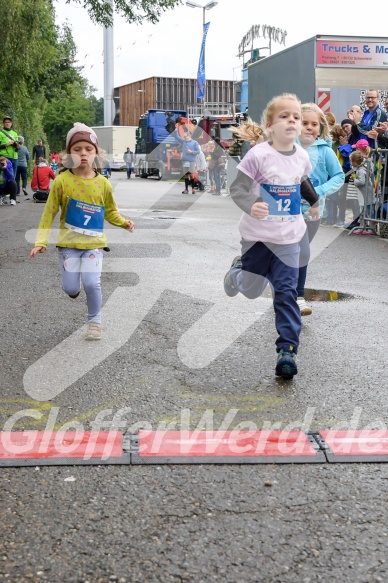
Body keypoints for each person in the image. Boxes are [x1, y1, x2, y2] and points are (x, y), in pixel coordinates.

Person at [223, 93, 319, 379]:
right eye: (284, 116)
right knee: (252, 290)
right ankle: (236, 273)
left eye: (296, 117)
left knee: (286, 292)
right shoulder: (258, 155)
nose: (292, 120)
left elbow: (301, 181)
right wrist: (252, 206)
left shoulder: (301, 156)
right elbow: (237, 189)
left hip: (288, 238)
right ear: (269, 125)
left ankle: (287, 350)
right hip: (257, 237)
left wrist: (313, 203)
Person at [29, 123, 135, 341]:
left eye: (88, 149)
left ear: (96, 152)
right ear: (69, 153)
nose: (83, 154)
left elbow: (110, 212)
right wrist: (41, 241)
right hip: (68, 245)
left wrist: (124, 223)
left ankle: (94, 322)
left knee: (92, 282)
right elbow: (48, 213)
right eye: (77, 149)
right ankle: (72, 289)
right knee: (70, 287)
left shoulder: (103, 183)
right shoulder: (61, 181)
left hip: (93, 245)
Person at [297, 103, 344, 314]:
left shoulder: (325, 151)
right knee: (294, 251)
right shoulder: (286, 146)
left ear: (320, 126)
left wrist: (320, 191)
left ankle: (295, 296)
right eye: (304, 122)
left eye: (314, 124)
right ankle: (294, 295)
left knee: (301, 253)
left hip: (313, 211)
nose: (309, 127)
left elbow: (339, 176)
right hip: (285, 210)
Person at [173, 126, 200, 194]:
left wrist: (191, 152)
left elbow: (198, 151)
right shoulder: (183, 142)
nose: (184, 138)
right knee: (186, 175)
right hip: (185, 161)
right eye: (184, 137)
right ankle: (186, 189)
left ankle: (193, 188)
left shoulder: (194, 143)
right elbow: (177, 137)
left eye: (185, 137)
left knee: (191, 174)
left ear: (189, 136)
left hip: (191, 161)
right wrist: (176, 129)